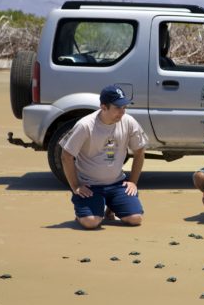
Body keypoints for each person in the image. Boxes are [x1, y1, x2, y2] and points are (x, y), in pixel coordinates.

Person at [60, 85, 148, 229]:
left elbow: (139, 152)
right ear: (103, 107)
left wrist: (133, 182)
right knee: (91, 222)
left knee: (135, 219)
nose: (122, 112)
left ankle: (111, 208)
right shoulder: (85, 125)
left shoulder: (129, 121)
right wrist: (75, 186)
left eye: (124, 107)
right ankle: (81, 214)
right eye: (118, 108)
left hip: (117, 183)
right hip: (90, 185)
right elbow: (66, 155)